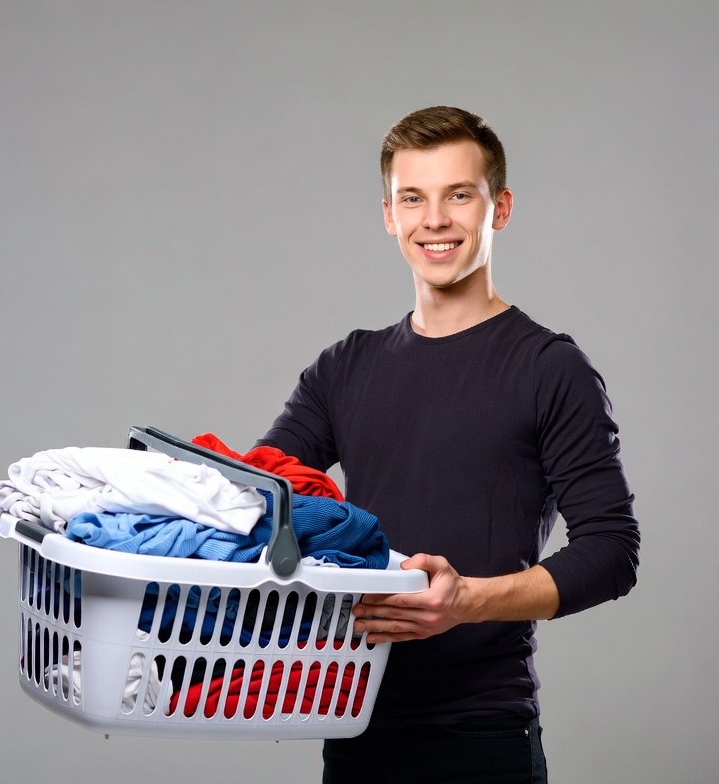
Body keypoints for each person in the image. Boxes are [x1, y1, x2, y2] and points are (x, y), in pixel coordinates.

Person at [257, 106, 640, 783]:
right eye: (414, 197)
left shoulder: (549, 368)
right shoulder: (344, 366)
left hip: (482, 738)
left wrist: (464, 600)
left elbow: (611, 552)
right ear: (388, 215)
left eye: (458, 195)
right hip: (353, 724)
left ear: (501, 208)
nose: (434, 220)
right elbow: (259, 493)